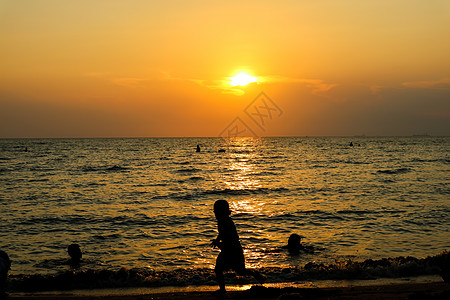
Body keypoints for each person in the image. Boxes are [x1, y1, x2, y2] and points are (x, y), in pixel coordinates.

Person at [210, 200, 264, 293]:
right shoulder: (224, 221)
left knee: (221, 269)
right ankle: (256, 275)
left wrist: (218, 243)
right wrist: (218, 241)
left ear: (220, 212)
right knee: (239, 271)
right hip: (232, 249)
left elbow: (227, 237)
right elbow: (222, 234)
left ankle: (223, 290)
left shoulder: (225, 222)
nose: (215, 214)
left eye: (216, 212)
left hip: (232, 249)